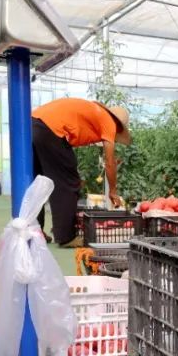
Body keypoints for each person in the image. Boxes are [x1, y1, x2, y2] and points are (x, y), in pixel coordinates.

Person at [30, 98, 131, 247]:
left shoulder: (95, 112)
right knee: (68, 182)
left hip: (34, 123)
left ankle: (35, 232)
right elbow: (110, 162)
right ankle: (66, 237)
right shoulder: (109, 121)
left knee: (39, 182)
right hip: (52, 131)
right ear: (119, 126)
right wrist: (113, 190)